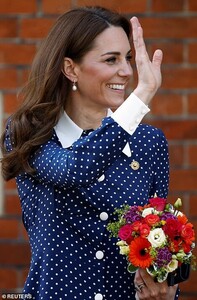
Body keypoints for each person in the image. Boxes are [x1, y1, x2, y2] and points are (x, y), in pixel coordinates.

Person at [0, 6, 179, 300]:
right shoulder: (29, 133)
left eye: (128, 58)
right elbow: (74, 169)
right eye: (111, 59)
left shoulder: (149, 142)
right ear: (71, 68)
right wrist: (142, 95)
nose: (126, 71)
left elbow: (158, 240)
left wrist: (166, 289)